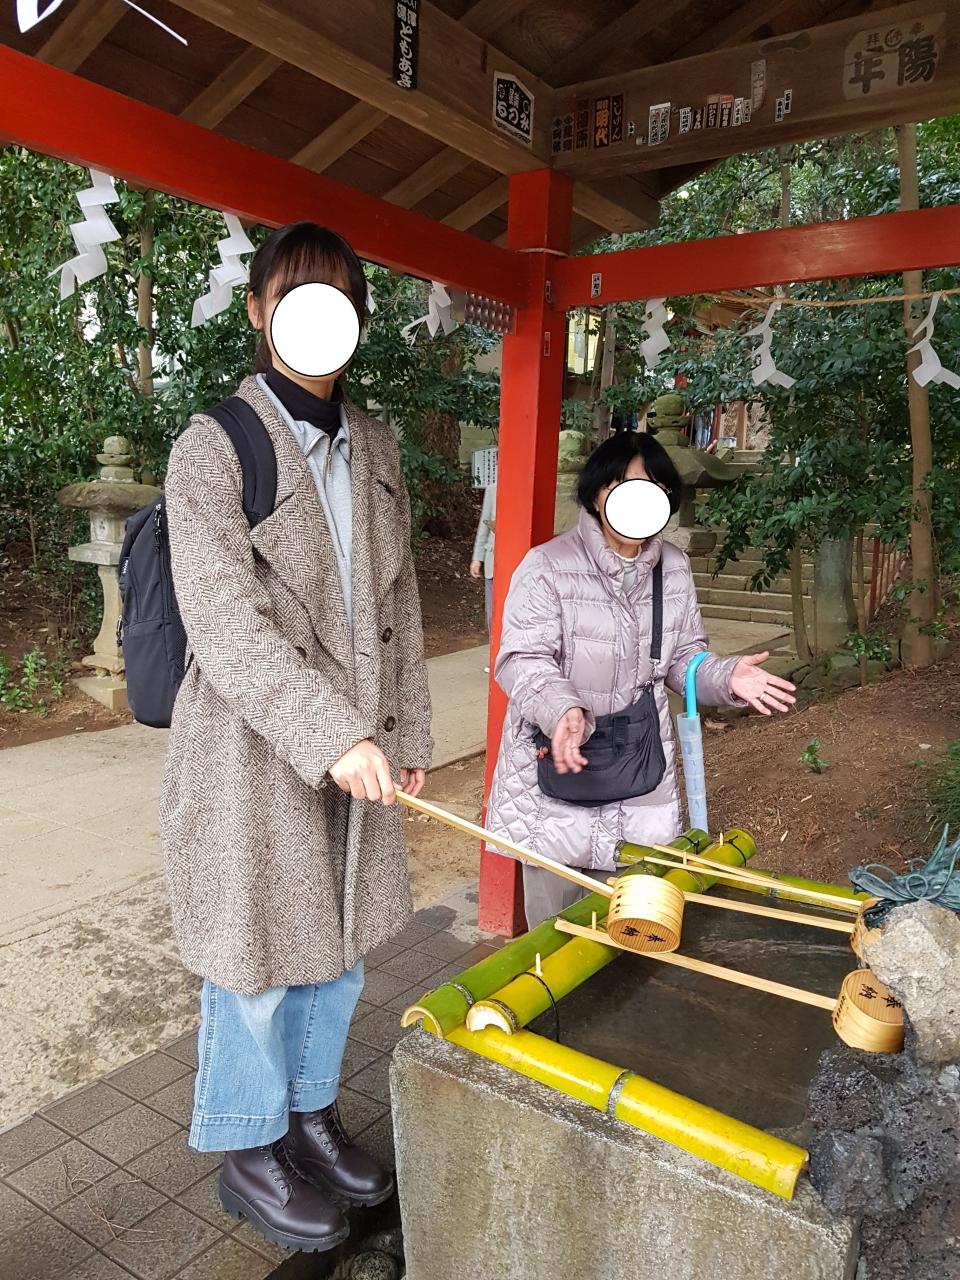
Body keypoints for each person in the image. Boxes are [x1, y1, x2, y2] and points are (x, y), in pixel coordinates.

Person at [161, 222, 432, 1253]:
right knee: (259, 958)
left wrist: (404, 729)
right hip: (250, 746)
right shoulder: (212, 445)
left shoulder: (375, 442)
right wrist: (332, 734)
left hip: (359, 739)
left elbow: (400, 600)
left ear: (357, 319)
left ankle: (307, 1116)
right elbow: (224, 622)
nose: (320, 318)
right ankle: (248, 1147)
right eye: (295, 296)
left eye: (340, 300)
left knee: (341, 947)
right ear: (258, 310)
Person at [485, 432, 794, 930]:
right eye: (622, 486)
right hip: (557, 771)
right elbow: (522, 658)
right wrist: (562, 709)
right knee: (553, 937)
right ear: (595, 493)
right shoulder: (546, 566)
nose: (636, 500)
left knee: (628, 932)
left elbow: (683, 659)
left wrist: (726, 676)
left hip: (639, 775)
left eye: (652, 488)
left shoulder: (673, 567)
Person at [470, 480, 496, 647]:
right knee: (492, 614)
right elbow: (484, 524)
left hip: (516, 561)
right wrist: (477, 558)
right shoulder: (493, 490)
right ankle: (493, 651)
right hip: (493, 559)